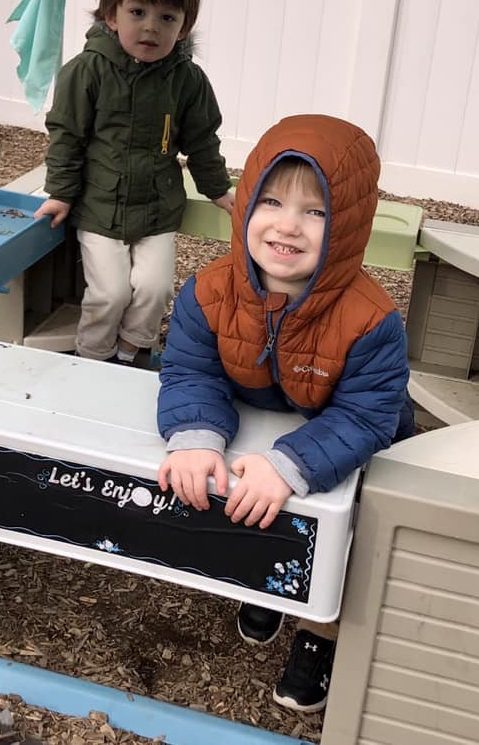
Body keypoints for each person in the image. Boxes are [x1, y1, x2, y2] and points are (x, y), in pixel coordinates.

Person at [156, 114, 414, 713]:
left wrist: (294, 461)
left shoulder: (371, 320)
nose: (288, 226)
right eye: (272, 200)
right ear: (246, 203)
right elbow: (191, 370)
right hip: (265, 418)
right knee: (253, 488)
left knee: (352, 532)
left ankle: (320, 631)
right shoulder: (208, 292)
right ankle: (272, 582)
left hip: (359, 446)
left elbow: (368, 416)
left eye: (316, 211)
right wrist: (194, 436)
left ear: (347, 225)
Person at [34, 0, 234, 363]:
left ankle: (131, 351)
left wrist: (218, 190)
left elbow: (201, 140)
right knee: (110, 292)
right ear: (111, 16)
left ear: (183, 29)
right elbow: (67, 136)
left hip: (157, 208)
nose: (150, 27)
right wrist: (61, 193)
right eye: (138, 12)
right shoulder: (87, 70)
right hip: (100, 207)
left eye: (167, 18)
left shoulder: (187, 79)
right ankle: (93, 356)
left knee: (156, 288)